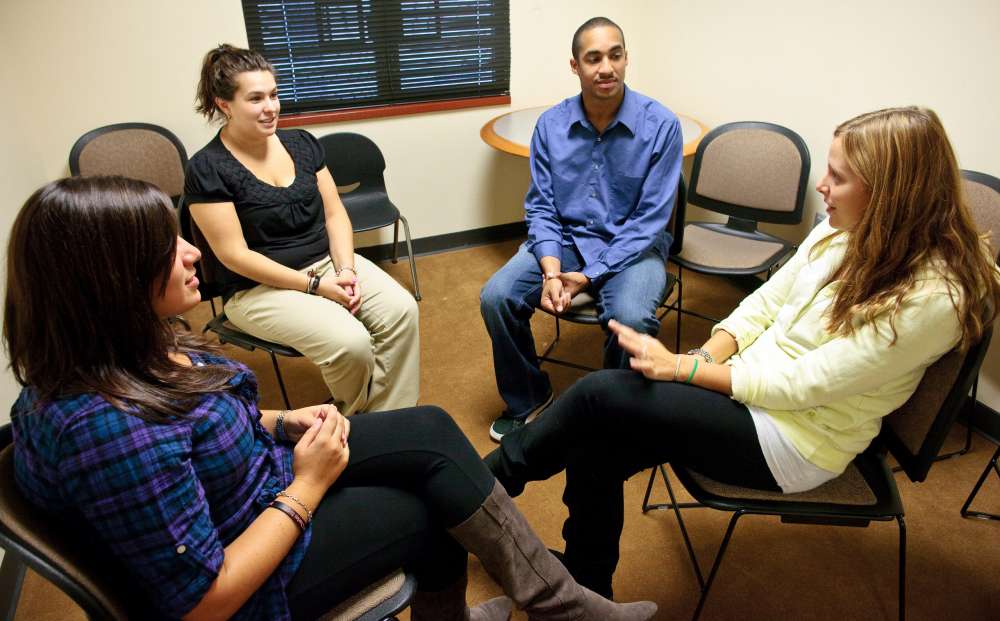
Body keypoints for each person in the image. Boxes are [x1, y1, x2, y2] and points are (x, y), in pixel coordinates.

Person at [5, 176, 659, 621]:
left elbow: (193, 420)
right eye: (164, 246)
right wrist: (308, 486)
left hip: (253, 478)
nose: (191, 251)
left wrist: (281, 420)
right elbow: (203, 602)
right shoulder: (105, 430)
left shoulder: (126, 347)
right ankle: (551, 608)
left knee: (431, 428)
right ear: (110, 280)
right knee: (432, 508)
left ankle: (560, 603)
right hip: (250, 565)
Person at [485, 106, 1000, 597]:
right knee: (594, 441)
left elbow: (806, 385)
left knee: (599, 394)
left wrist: (681, 369)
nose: (822, 186)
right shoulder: (843, 228)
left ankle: (480, 489)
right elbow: (764, 303)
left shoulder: (933, 298)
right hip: (749, 388)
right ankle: (585, 587)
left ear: (892, 195)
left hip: (797, 438)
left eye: (839, 177)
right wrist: (705, 358)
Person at [184, 44, 417, 416]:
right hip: (257, 289)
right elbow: (234, 256)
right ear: (224, 104)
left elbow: (335, 215)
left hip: (326, 264)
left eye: (274, 95)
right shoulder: (207, 167)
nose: (271, 107)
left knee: (401, 311)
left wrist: (345, 270)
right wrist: (316, 286)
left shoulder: (302, 144)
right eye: (255, 98)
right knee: (350, 342)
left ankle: (389, 418)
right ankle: (359, 425)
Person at [480, 17, 683, 441]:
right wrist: (552, 271)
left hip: (635, 245)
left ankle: (612, 412)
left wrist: (590, 275)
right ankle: (529, 396)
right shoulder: (551, 126)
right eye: (593, 58)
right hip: (568, 240)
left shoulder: (662, 125)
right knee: (497, 297)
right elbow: (542, 207)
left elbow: (650, 219)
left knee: (630, 316)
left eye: (615, 55)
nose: (606, 68)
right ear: (575, 66)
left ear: (626, 59)